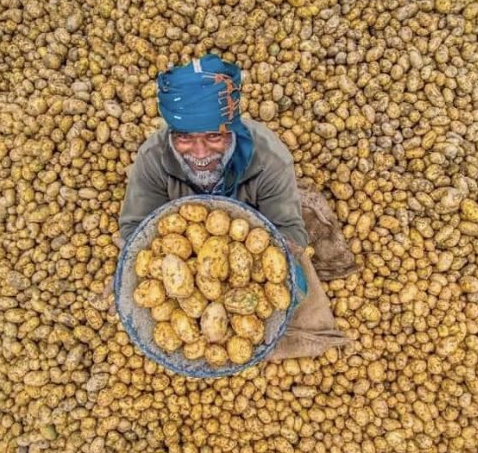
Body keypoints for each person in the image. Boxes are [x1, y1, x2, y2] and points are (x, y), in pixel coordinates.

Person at [118, 54, 352, 360]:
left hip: (253, 230)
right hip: (183, 238)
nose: (200, 153)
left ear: (232, 128)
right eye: (185, 138)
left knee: (300, 275)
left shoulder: (271, 158)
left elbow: (290, 228)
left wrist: (279, 267)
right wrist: (154, 263)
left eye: (214, 136)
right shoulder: (152, 157)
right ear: (171, 133)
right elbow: (134, 225)